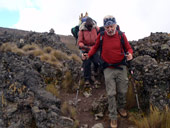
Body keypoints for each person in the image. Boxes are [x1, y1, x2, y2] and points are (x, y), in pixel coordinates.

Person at [85, 15, 133, 128]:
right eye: (107, 27)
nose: (110, 29)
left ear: (115, 25)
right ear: (104, 27)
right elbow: (95, 48)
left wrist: (130, 54)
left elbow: (129, 48)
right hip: (108, 68)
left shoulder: (121, 35)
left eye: (111, 26)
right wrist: (88, 56)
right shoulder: (101, 36)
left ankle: (121, 107)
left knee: (122, 91)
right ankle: (113, 116)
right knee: (111, 94)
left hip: (121, 67)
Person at [78, 17, 100, 87]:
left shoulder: (95, 28)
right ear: (86, 25)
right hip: (85, 49)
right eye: (88, 26)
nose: (90, 28)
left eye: (91, 26)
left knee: (97, 62)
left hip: (94, 49)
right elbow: (80, 41)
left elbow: (99, 37)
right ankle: (87, 80)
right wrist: (84, 47)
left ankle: (95, 72)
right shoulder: (82, 30)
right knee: (86, 63)